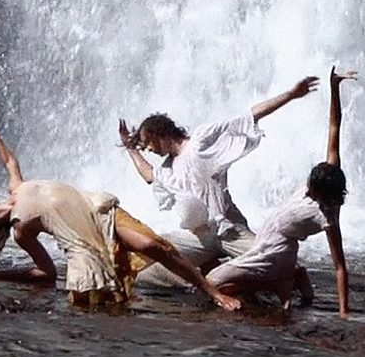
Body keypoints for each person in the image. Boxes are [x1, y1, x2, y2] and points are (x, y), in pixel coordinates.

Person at [0, 109, 241, 311]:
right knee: (96, 302)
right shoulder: (20, 231)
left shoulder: (16, 189)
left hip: (100, 209)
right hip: (86, 242)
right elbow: (47, 273)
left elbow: (10, 162)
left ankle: (212, 291)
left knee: (154, 245)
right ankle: (210, 275)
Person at [118, 75, 319, 266]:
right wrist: (131, 148)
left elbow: (249, 116)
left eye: (147, 143)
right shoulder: (167, 169)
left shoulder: (200, 141)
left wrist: (291, 95)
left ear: (158, 134)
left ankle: (294, 276)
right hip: (199, 239)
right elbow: (149, 176)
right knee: (157, 256)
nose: (150, 150)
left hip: (229, 231)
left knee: (274, 259)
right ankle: (210, 268)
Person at [204, 67, 356, 317]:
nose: (306, 186)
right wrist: (334, 88)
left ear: (321, 194)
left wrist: (344, 312)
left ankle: (281, 278)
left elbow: (340, 266)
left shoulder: (327, 218)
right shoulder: (331, 171)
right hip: (268, 241)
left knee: (210, 285)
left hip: (276, 252)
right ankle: (290, 278)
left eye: (311, 188)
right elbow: (334, 127)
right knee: (216, 282)